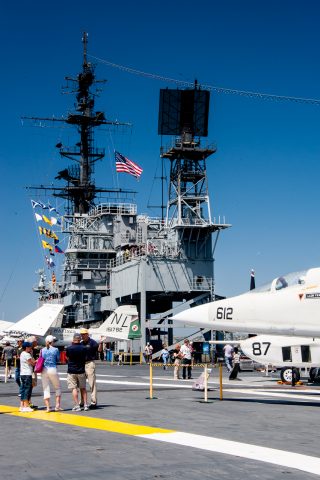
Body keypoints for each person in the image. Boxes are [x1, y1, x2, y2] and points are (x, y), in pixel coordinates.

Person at [66, 333, 88, 411]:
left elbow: (67, 357)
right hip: (81, 370)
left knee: (74, 388)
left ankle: (77, 405)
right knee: (83, 388)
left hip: (72, 370)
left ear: (73, 339)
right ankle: (85, 405)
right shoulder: (84, 348)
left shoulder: (69, 348)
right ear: (80, 339)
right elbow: (85, 358)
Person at [40, 335, 62, 412]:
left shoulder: (42, 350)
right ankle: (57, 406)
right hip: (53, 369)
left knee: (46, 388)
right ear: (52, 342)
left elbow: (41, 359)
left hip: (44, 370)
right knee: (57, 387)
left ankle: (48, 407)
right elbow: (58, 359)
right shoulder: (56, 349)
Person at [80, 328, 98, 409]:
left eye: (84, 334)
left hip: (90, 363)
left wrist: (101, 343)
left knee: (92, 383)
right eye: (81, 334)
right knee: (81, 384)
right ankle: (82, 401)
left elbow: (99, 350)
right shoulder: (81, 343)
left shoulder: (93, 343)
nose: (82, 336)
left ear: (87, 334)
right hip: (82, 363)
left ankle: (93, 401)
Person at [19, 342, 36, 412]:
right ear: (26, 348)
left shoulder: (22, 353)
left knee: (23, 389)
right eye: (30, 347)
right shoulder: (27, 354)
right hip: (27, 373)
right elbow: (32, 363)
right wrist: (37, 361)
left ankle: (22, 406)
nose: (31, 348)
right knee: (27, 389)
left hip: (22, 373)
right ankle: (26, 406)